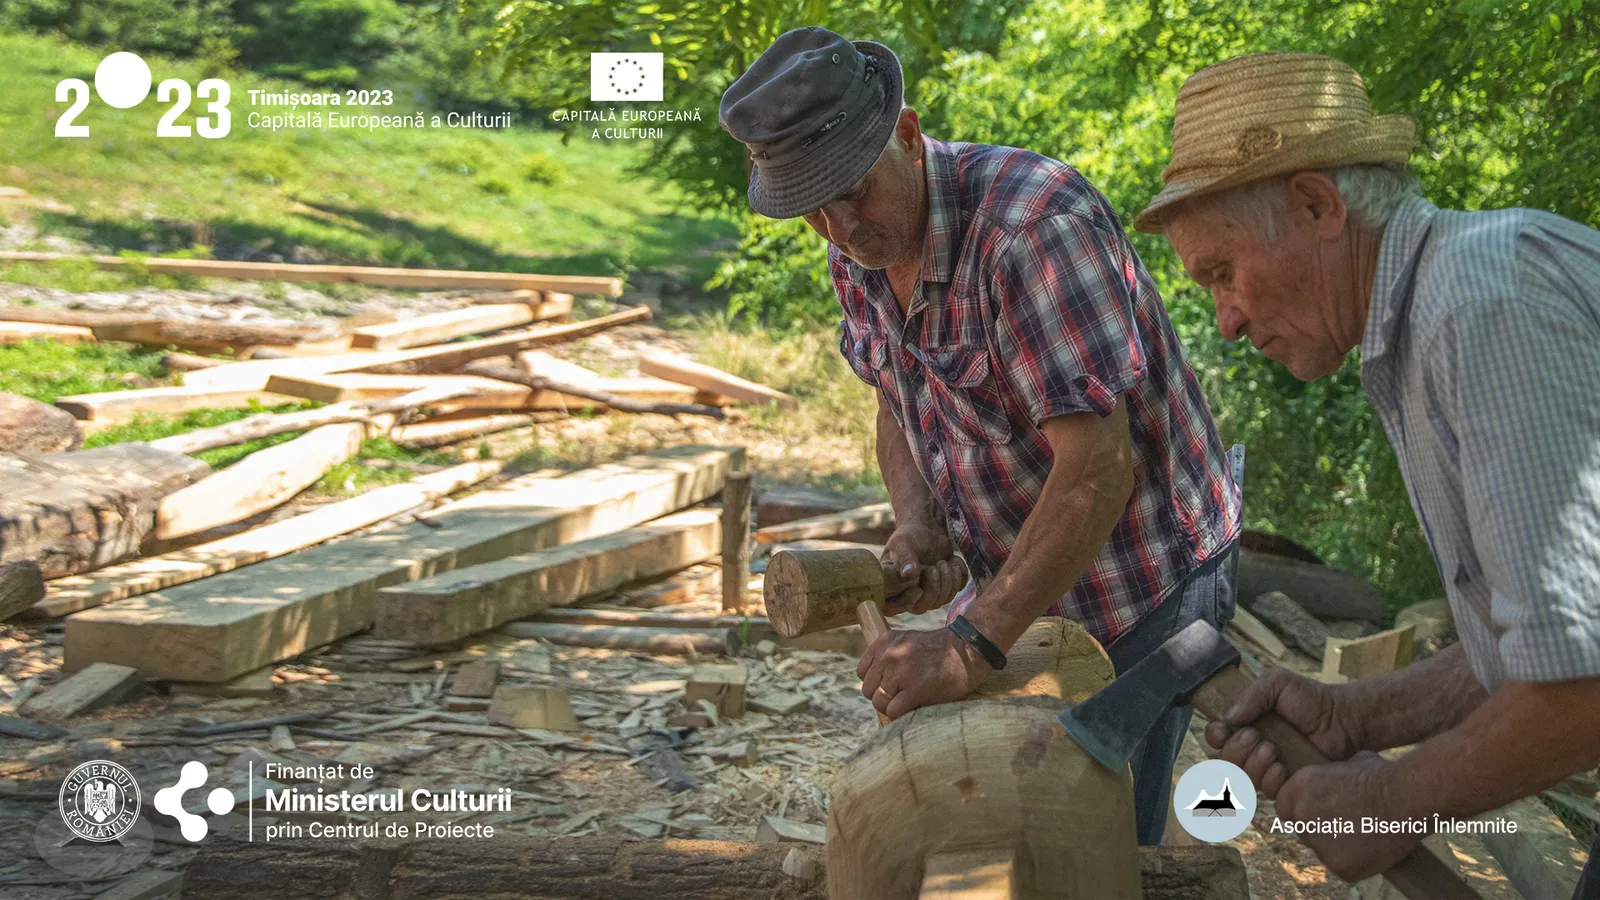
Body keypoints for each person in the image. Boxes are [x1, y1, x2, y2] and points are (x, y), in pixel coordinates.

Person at [718, 26, 1241, 844]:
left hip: (1143, 579)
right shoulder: (856, 247)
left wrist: (967, 644)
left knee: (1096, 843)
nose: (841, 226)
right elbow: (896, 397)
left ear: (907, 132)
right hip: (1024, 584)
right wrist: (920, 520)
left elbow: (1099, 472)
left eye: (852, 190)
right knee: (978, 812)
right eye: (813, 207)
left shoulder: (1034, 230)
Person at [1136, 51, 1600, 891]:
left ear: (1316, 205)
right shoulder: (1429, 320)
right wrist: (1362, 713)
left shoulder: (1485, 310)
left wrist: (1383, 804)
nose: (1228, 321)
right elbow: (1547, 638)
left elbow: (1584, 683)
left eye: (1221, 272)